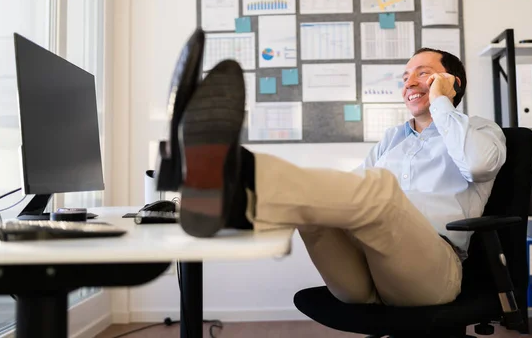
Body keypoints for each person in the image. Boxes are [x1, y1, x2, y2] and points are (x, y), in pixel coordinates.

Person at [174, 47, 506, 308]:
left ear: (451, 83)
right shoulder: (393, 139)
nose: (409, 83)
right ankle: (228, 199)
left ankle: (241, 183)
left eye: (424, 74)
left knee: (380, 191)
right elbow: (348, 194)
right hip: (363, 276)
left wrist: (442, 104)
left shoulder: (480, 131)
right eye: (405, 77)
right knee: (317, 209)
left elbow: (477, 166)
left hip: (433, 272)